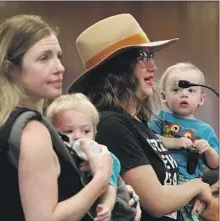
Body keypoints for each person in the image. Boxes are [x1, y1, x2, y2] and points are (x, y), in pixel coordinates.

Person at [67, 13, 213, 221]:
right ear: (118, 68)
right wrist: (197, 186)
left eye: (151, 57)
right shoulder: (110, 124)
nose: (153, 67)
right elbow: (158, 202)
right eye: (142, 57)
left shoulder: (138, 122)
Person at [0, 14, 113, 221]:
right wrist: (101, 179)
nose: (59, 67)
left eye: (58, 56)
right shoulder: (31, 131)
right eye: (44, 58)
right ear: (11, 69)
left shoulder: (3, 123)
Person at [46, 93, 142, 221]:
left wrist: (106, 207)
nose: (78, 137)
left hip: (118, 210)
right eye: (69, 131)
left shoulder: (103, 156)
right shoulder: (55, 159)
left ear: (94, 133)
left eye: (86, 131)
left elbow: (110, 186)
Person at [149, 62, 219, 220]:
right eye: (176, 89)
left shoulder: (206, 130)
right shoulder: (161, 118)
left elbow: (215, 164)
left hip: (191, 184)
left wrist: (207, 150)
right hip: (162, 179)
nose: (184, 94)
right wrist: (174, 142)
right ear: (164, 96)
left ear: (201, 99)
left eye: (191, 90)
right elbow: (148, 140)